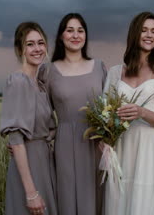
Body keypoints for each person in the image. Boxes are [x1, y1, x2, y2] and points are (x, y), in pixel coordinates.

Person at [103, 11, 154, 215]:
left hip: (149, 150)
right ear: (135, 34)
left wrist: (140, 112)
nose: (150, 35)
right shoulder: (114, 72)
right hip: (122, 147)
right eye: (145, 30)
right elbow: (106, 116)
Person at [38, 13, 107, 215]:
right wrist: (27, 137)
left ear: (86, 35)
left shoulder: (99, 67)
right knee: (67, 199)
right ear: (61, 36)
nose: (75, 35)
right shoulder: (48, 71)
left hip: (97, 145)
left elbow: (110, 107)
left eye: (80, 30)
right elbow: (40, 111)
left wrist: (110, 139)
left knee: (97, 199)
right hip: (65, 146)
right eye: (70, 30)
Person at [0, 22, 57, 215]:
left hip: (44, 162)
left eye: (41, 43)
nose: (37, 48)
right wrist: (31, 192)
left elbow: (48, 127)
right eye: (30, 44)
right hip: (29, 168)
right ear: (20, 49)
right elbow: (16, 140)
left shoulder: (39, 84)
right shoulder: (17, 81)